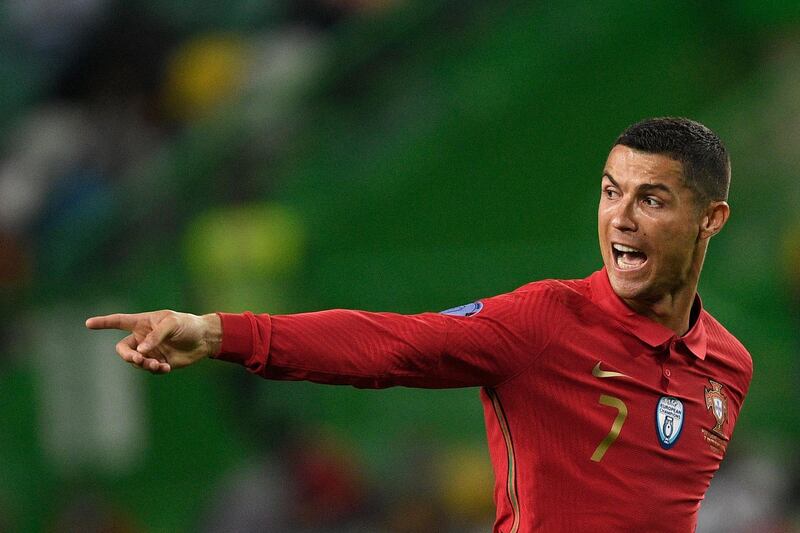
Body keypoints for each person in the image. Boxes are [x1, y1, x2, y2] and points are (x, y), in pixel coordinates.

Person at [86, 117, 753, 532]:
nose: (622, 218)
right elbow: (393, 345)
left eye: (652, 198)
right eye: (612, 193)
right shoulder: (547, 320)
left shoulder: (729, 366)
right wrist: (217, 332)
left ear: (710, 220)